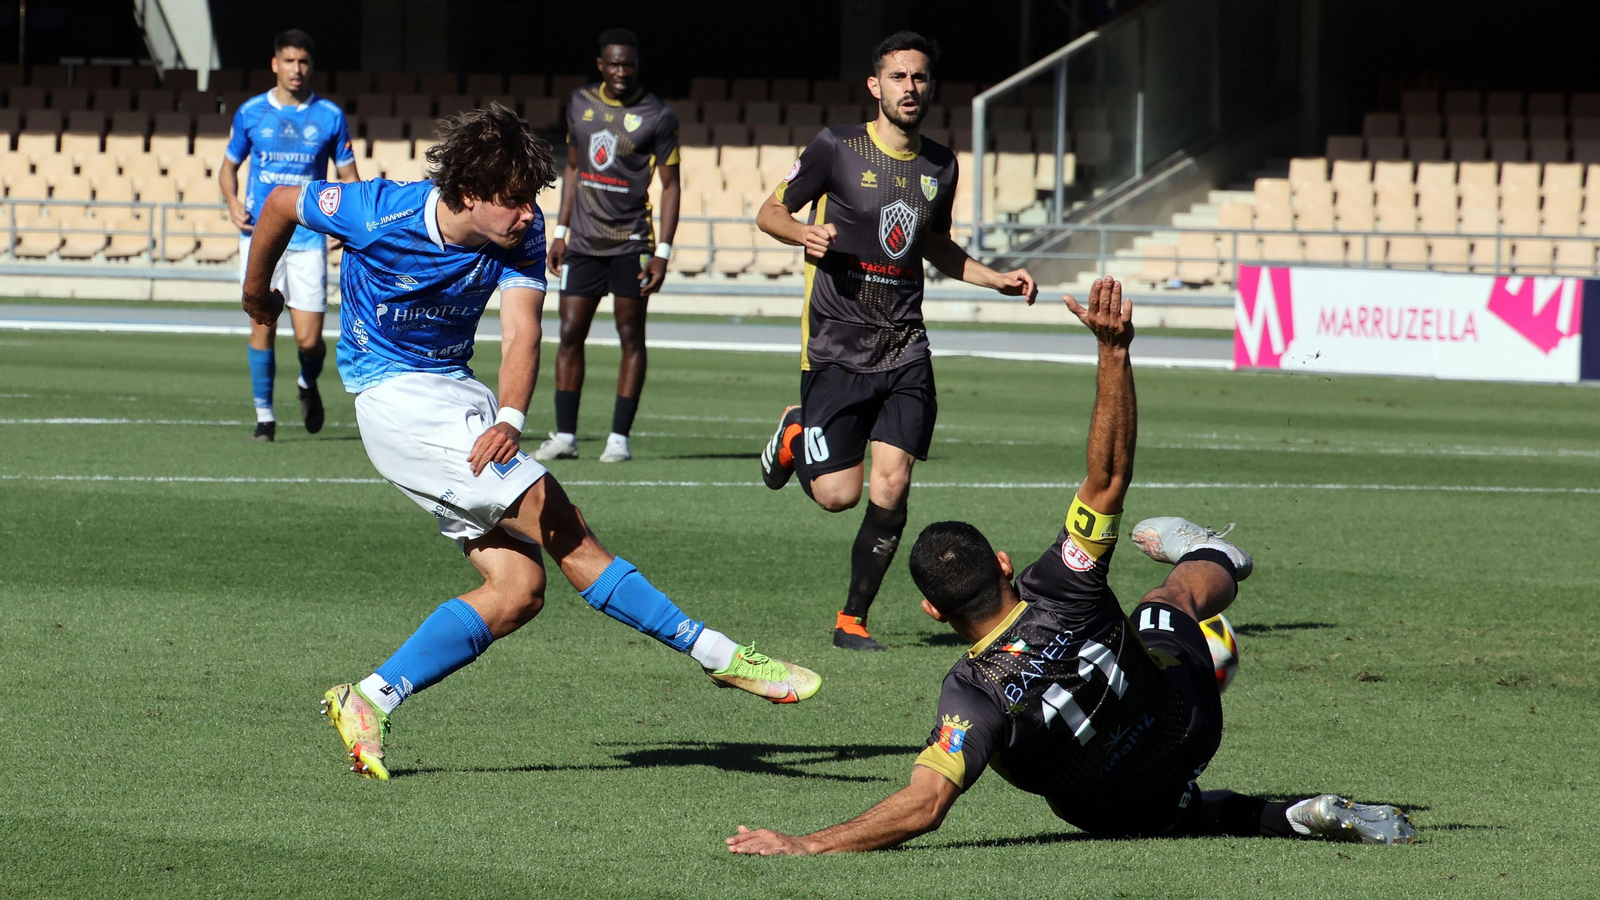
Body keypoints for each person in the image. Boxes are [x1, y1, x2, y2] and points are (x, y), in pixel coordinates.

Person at [725, 279, 1418, 853]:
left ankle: (1290, 811)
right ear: (1002, 564)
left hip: (1117, 810)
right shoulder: (1063, 577)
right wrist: (1113, 353)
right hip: (1188, 724)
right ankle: (1215, 554)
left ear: (933, 611)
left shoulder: (969, 696)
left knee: (1162, 803)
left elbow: (924, 804)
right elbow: (1110, 476)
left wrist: (806, 842)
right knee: (1163, 603)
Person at [240, 105, 820, 781]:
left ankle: (369, 697)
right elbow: (281, 202)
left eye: (530, 199)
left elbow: (522, 332)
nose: (526, 214)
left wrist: (510, 416)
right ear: (467, 193)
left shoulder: (520, 231)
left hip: (460, 397)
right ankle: (718, 655)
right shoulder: (372, 209)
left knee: (517, 589)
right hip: (396, 401)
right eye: (514, 201)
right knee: (563, 523)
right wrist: (258, 292)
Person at [754, 31, 1039, 651]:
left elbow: (933, 242)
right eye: (898, 77)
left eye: (919, 78)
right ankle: (798, 430)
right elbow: (769, 212)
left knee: (892, 485)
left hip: (905, 346)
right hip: (836, 345)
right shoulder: (836, 147)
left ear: (930, 86)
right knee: (838, 496)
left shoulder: (941, 163)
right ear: (874, 86)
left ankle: (852, 620)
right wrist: (802, 234)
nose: (909, 88)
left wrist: (993, 278)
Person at [535, 28, 680, 464]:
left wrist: (663, 252)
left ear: (637, 66)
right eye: (614, 64)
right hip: (581, 242)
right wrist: (559, 233)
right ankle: (565, 436)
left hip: (631, 243)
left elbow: (671, 187)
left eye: (628, 64)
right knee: (569, 333)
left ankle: (619, 438)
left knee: (631, 335)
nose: (621, 72)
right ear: (601, 65)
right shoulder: (579, 103)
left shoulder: (659, 115)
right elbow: (574, 170)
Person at [220, 28, 359, 442]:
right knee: (262, 324)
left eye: (304, 62)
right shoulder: (250, 113)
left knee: (310, 339)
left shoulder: (329, 116)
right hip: (262, 238)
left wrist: (347, 223)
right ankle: (265, 417)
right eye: (290, 61)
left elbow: (348, 175)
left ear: (310, 67)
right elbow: (228, 168)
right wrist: (231, 202)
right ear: (275, 64)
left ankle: (306, 383)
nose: (297, 69)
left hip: (309, 238)